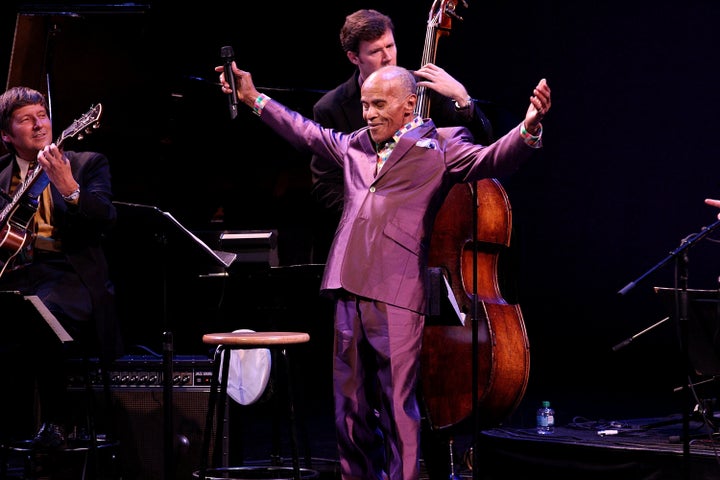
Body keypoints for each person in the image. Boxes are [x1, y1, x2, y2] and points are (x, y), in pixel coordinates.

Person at [217, 58, 550, 480]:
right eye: (365, 105)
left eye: (378, 105)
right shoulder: (355, 143)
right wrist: (253, 98)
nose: (368, 113)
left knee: (397, 405)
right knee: (348, 406)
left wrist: (529, 128)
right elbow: (305, 133)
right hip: (346, 283)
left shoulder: (442, 145)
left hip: (396, 289)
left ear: (409, 105)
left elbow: (493, 159)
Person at [309, 8, 494, 264]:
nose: (387, 57)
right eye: (375, 51)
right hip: (366, 243)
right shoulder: (330, 108)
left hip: (434, 232)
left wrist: (463, 99)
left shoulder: (424, 89)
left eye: (390, 46)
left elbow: (482, 145)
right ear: (354, 57)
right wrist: (375, 214)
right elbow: (325, 186)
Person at [0, 86, 123, 449]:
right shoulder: (1, 175)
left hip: (70, 277)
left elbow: (107, 218)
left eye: (42, 116)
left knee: (37, 312)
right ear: (7, 135)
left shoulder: (87, 163)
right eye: (26, 120)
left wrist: (69, 188)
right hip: (16, 275)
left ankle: (60, 420)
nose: (39, 125)